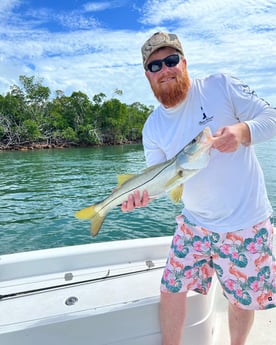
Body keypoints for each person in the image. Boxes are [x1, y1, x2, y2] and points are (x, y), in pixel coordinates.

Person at [121, 31, 276, 345]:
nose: (164, 70)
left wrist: (244, 131)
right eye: (155, 66)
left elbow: (271, 116)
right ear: (147, 75)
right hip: (194, 224)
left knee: (240, 298)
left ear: (184, 62)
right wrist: (140, 196)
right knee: (171, 287)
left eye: (171, 60)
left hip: (245, 222)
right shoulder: (152, 127)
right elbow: (160, 180)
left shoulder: (220, 87)